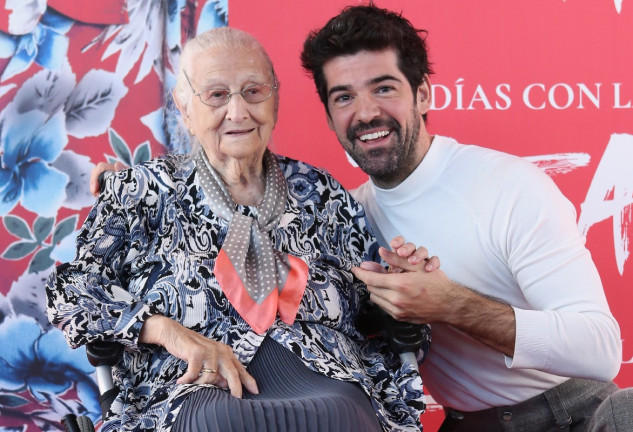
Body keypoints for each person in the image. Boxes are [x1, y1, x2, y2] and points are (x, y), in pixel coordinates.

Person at [47, 27, 435, 432]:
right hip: (191, 387)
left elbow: (380, 307)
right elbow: (71, 292)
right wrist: (168, 332)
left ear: (275, 100)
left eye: (254, 91)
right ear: (185, 109)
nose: (238, 112)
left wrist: (401, 286)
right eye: (216, 95)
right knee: (215, 421)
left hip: (329, 377)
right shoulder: (141, 191)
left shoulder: (320, 191)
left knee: (340, 413)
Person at [299, 4, 633, 432]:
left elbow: (600, 349)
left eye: (383, 88)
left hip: (575, 416)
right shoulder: (344, 218)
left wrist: (450, 303)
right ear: (329, 117)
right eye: (344, 96)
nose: (365, 113)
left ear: (423, 95)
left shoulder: (509, 186)